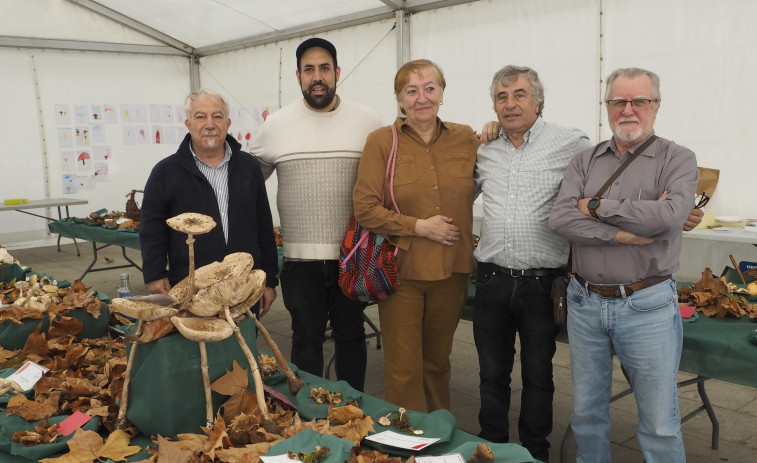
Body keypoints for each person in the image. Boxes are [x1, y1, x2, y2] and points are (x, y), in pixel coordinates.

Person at [548, 67, 698, 462]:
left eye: (639, 101)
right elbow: (560, 219)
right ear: (607, 106)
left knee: (659, 425)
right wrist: (622, 233)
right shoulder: (585, 160)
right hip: (584, 302)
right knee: (586, 414)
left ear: (656, 106)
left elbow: (669, 218)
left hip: (646, 305)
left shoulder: (678, 158)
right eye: (619, 101)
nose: (628, 110)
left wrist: (595, 206)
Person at [473, 65, 592, 462]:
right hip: (491, 281)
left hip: (543, 285)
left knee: (539, 376)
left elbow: (606, 177)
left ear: (538, 100)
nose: (510, 104)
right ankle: (492, 446)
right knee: (492, 374)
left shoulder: (571, 142)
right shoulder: (484, 149)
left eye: (519, 95)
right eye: (501, 97)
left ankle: (534, 453)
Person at [250, 37, 381, 391]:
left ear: (337, 72)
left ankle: (354, 409)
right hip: (300, 262)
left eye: (324, 68)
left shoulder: (368, 122)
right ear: (298, 76)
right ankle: (306, 412)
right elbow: (246, 185)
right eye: (309, 70)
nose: (317, 76)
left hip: (352, 257)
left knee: (351, 337)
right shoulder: (275, 125)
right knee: (305, 339)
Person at [352, 59, 480, 412]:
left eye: (429, 88)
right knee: (404, 367)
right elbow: (364, 207)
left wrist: (498, 129)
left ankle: (440, 432)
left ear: (442, 92)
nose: (421, 98)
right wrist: (419, 226)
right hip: (402, 271)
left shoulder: (468, 137)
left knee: (439, 363)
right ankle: (405, 442)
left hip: (453, 270)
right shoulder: (381, 141)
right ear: (399, 98)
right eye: (411, 91)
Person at [140, 89, 279, 317]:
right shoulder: (165, 172)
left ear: (228, 122)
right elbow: (151, 228)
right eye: (200, 116)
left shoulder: (249, 167)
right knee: (198, 348)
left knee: (241, 348)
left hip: (243, 287)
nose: (210, 124)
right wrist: (155, 273)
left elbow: (264, 226)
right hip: (191, 287)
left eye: (217, 116)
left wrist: (269, 279)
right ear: (188, 124)